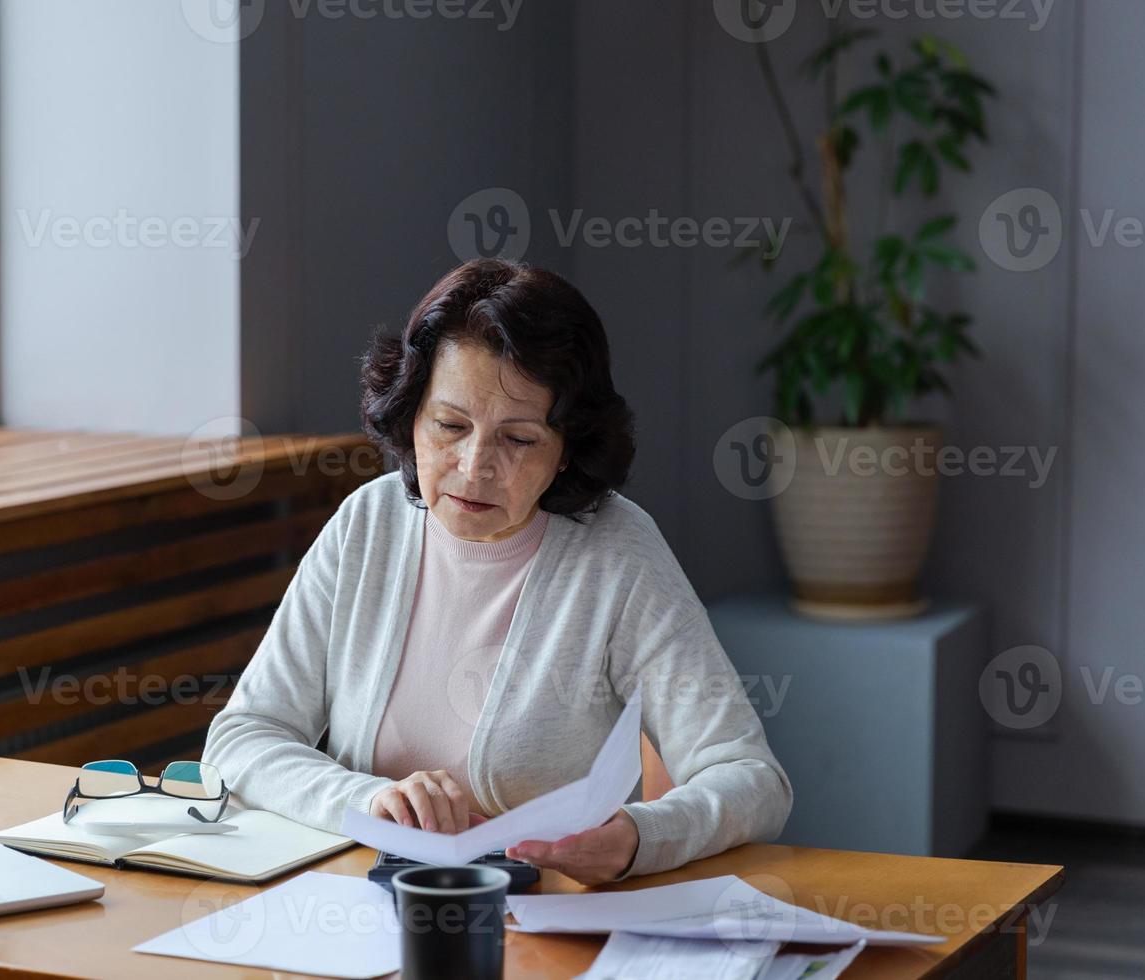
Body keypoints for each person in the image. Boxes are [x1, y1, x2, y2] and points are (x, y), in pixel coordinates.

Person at [203, 258, 792, 884]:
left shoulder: (616, 553)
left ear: (568, 450)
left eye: (519, 439)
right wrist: (365, 801)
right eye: (451, 426)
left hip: (543, 923)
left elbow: (753, 780)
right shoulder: (366, 526)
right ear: (411, 415)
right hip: (357, 913)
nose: (475, 466)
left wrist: (643, 836)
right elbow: (242, 739)